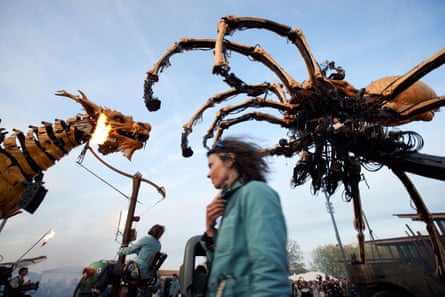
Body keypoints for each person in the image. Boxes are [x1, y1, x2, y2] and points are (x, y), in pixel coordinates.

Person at [201, 137, 290, 296]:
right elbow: (224, 270)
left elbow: (270, 269)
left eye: (211, 165)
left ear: (229, 160)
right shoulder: (230, 206)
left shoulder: (256, 192)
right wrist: (210, 231)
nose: (208, 174)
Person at [92, 224, 165, 297]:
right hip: (146, 275)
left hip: (136, 271)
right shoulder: (158, 245)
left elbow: (131, 249)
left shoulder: (146, 239)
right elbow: (145, 254)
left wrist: (120, 251)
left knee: (110, 268)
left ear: (151, 229)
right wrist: (137, 251)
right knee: (131, 284)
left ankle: (97, 290)